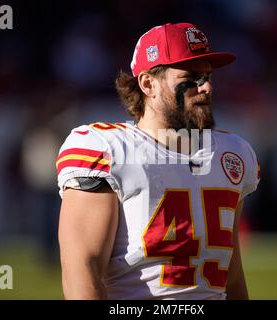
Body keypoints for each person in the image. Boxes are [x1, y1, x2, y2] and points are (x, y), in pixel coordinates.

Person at [56, 22, 260, 300]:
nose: (207, 87)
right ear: (148, 83)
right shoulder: (107, 150)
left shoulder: (233, 153)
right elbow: (83, 267)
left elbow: (231, 272)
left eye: (208, 76)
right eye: (192, 76)